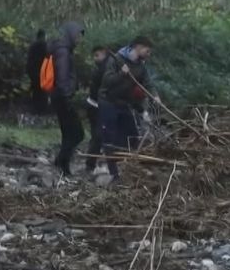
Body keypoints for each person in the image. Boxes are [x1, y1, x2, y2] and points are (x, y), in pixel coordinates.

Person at [99, 37, 158, 183]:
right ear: (138, 47)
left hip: (124, 103)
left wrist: (155, 96)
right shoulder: (117, 59)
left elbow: (147, 82)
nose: (148, 54)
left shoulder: (140, 66)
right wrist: (122, 74)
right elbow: (107, 81)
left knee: (132, 136)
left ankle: (129, 168)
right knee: (110, 138)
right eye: (147, 51)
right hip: (108, 102)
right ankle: (114, 174)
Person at [47, 22, 85, 177]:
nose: (79, 40)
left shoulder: (63, 50)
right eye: (78, 36)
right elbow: (62, 77)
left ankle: (63, 165)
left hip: (59, 96)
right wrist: (68, 96)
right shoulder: (63, 51)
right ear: (70, 34)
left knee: (68, 133)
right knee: (77, 133)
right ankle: (61, 162)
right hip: (63, 97)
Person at [83, 46, 109, 172]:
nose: (95, 59)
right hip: (96, 106)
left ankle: (91, 164)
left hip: (95, 105)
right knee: (98, 136)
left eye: (97, 55)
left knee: (97, 136)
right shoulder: (104, 68)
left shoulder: (105, 68)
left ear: (105, 53)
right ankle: (90, 165)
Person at [26, 29, 47, 114]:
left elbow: (29, 59)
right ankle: (42, 110)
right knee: (43, 91)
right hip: (42, 72)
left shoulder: (32, 46)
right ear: (44, 36)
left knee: (35, 91)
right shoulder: (45, 45)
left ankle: (34, 109)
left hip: (33, 72)